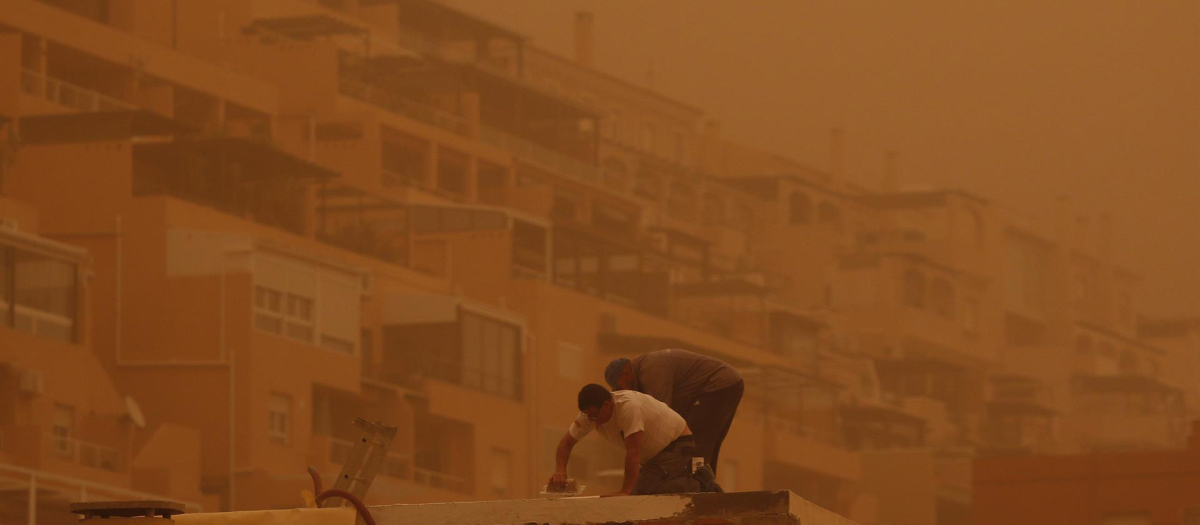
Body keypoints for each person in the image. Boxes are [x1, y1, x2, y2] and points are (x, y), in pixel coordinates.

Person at [547, 384, 718, 496]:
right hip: (654, 456)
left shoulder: (629, 408)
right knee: (647, 490)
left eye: (595, 415)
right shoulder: (589, 415)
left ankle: (701, 482)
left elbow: (633, 452)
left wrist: (626, 490)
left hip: (678, 443)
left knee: (642, 490)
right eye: (588, 417)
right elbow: (566, 443)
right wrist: (560, 471)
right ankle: (691, 480)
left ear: (607, 404)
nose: (593, 421)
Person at [605, 349, 743, 475]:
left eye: (620, 386)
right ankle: (705, 483)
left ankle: (698, 485)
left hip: (717, 383)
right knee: (705, 443)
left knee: (696, 440)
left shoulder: (651, 370)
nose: (622, 392)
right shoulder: (643, 373)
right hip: (728, 383)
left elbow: (661, 416)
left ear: (626, 374)